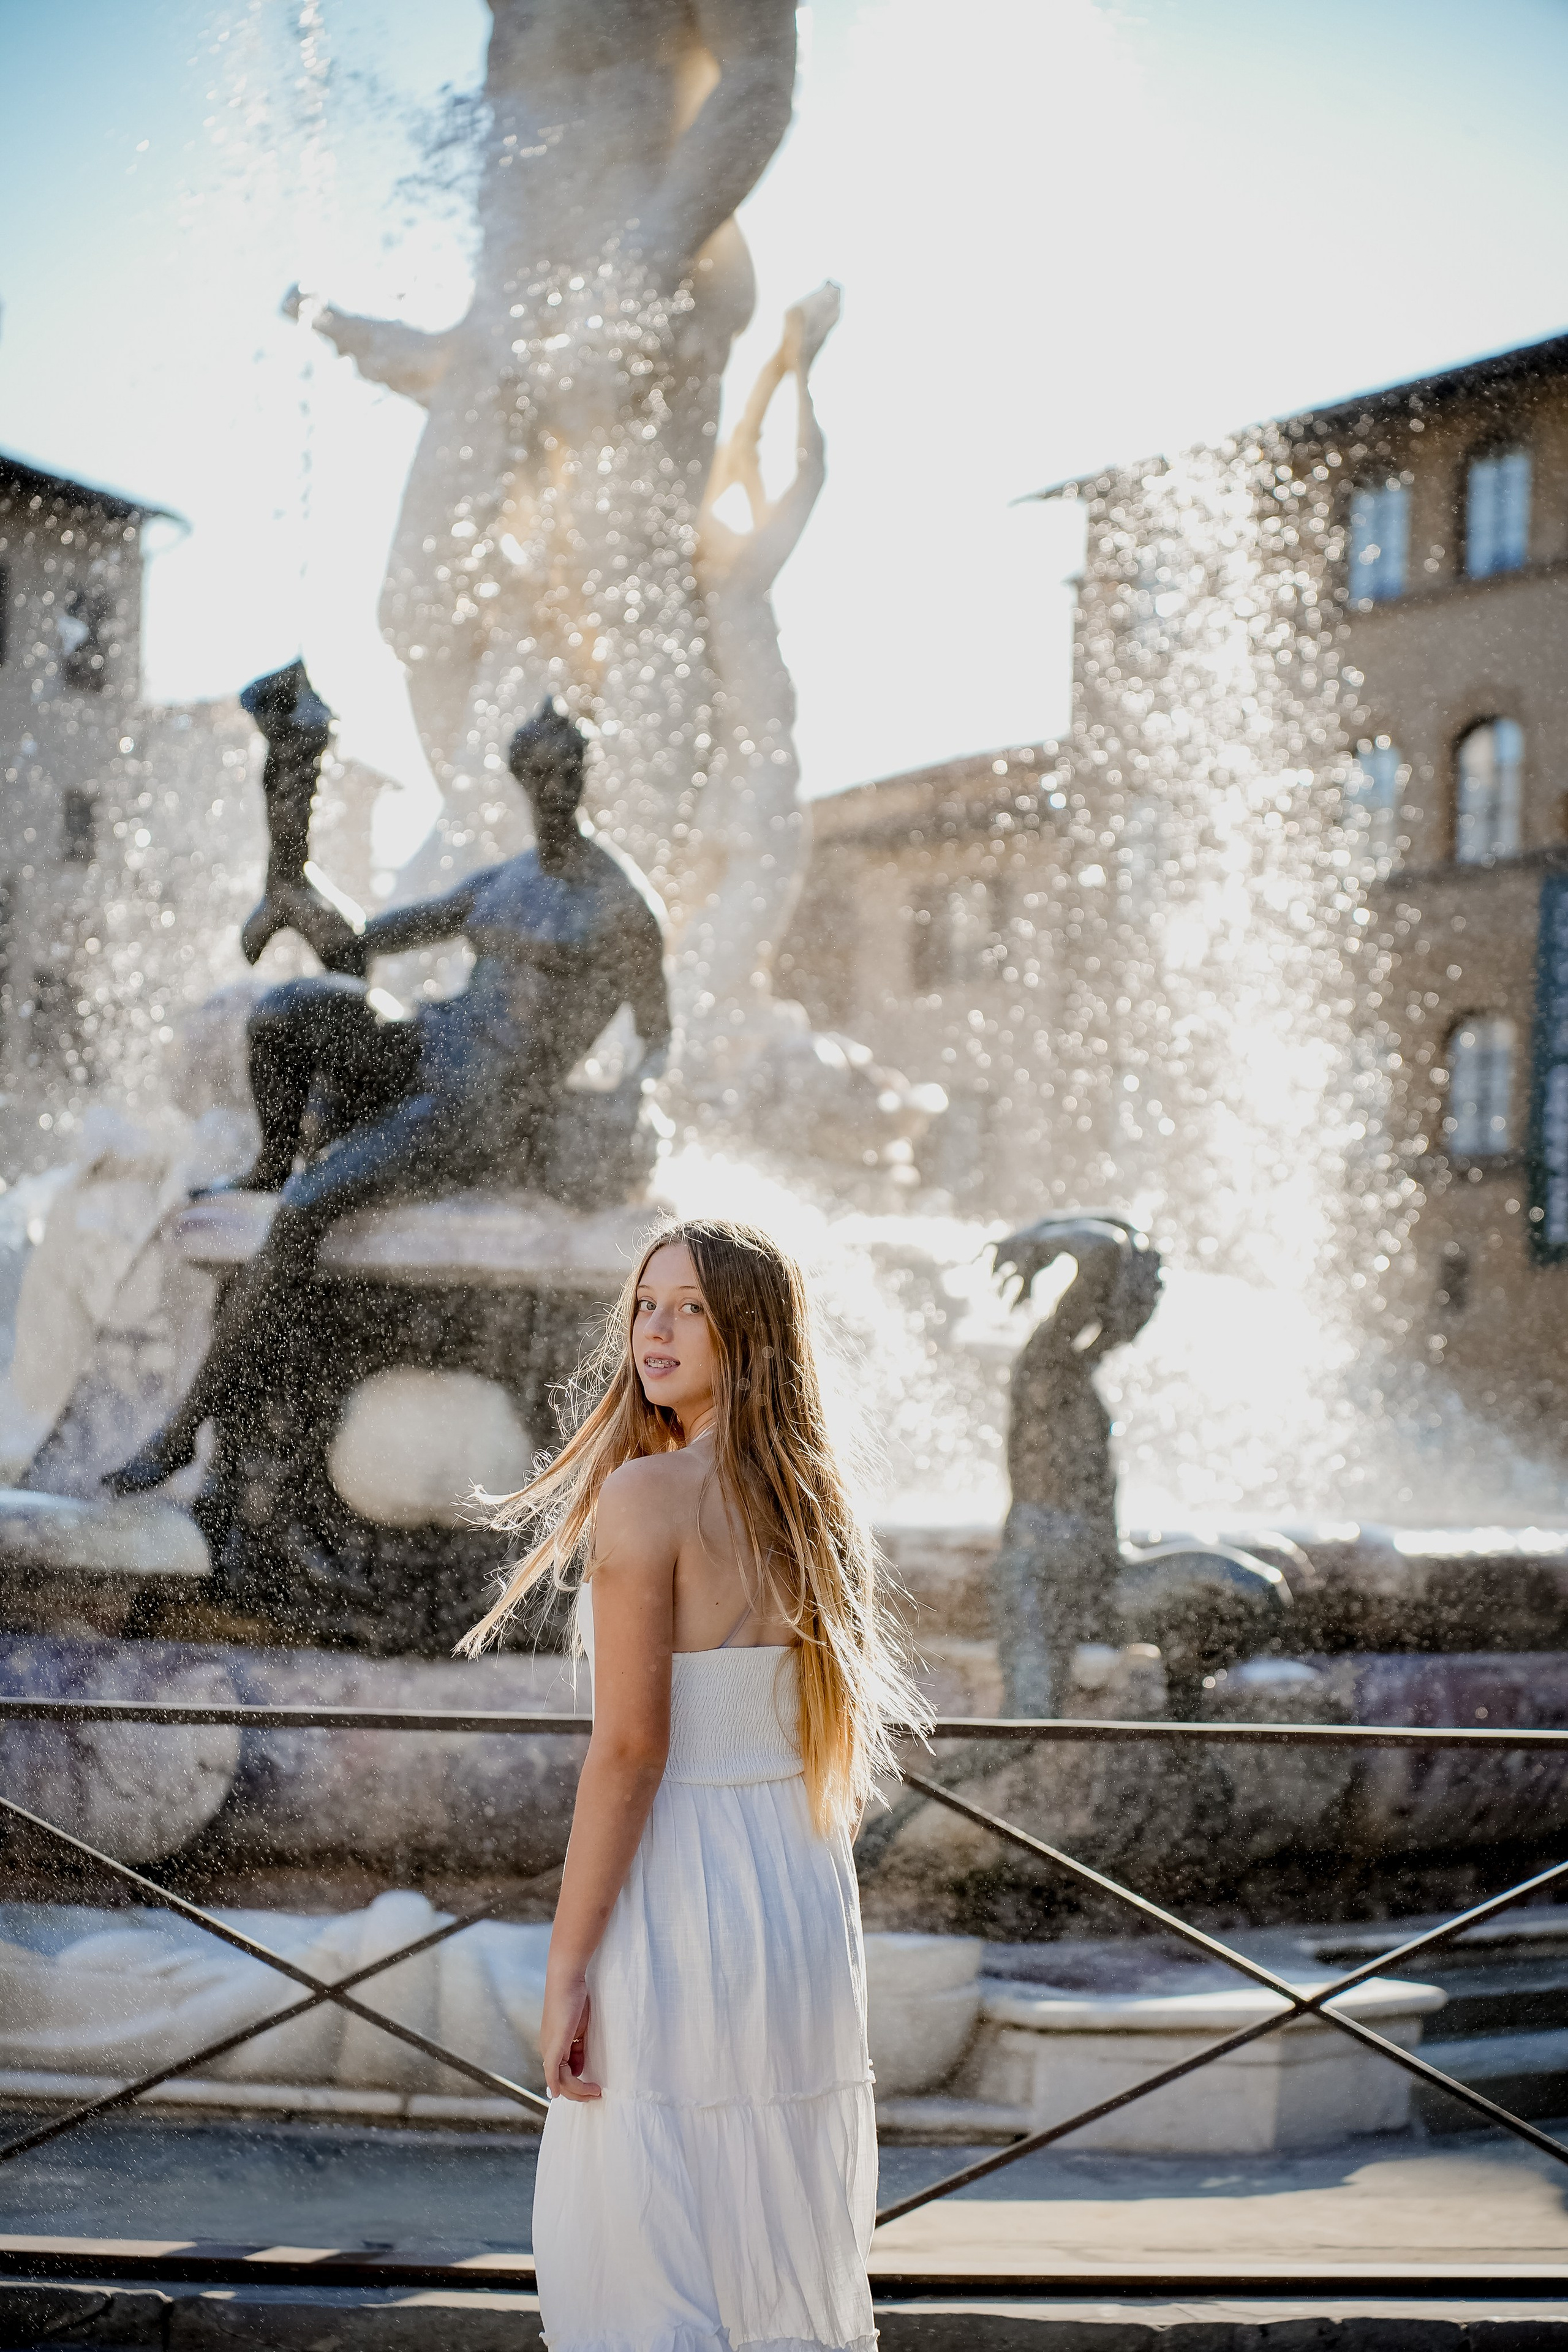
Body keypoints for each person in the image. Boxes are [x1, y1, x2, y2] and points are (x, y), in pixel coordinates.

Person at [458, 1216, 923, 2352]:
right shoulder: (817, 1501)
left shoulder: (649, 1495)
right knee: (774, 2228)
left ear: (749, 1334)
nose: (654, 1331)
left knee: (648, 2243)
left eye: (692, 1309)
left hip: (685, 1884)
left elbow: (630, 1753)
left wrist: (566, 1967)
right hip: (797, 1887)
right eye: (644, 1304)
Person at [104, 699, 670, 1498]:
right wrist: (295, 872)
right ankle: (268, 1162)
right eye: (537, 776)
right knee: (287, 1010)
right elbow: (362, 941)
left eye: (564, 775)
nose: (550, 791)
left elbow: (658, 1033)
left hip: (486, 1104)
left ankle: (183, 1429)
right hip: (433, 1041)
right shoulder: (505, 882)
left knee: (308, 1209)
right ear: (520, 779)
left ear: (583, 778)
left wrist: (633, 1097)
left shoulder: (621, 904)